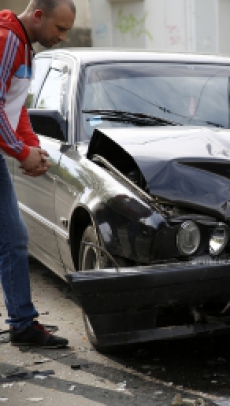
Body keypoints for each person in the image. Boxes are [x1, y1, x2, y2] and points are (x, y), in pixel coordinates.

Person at [0, 0, 75, 348]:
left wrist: (32, 148)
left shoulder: (24, 47)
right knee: (12, 239)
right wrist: (20, 151)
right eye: (59, 29)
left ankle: (23, 324)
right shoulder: (7, 40)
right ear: (38, 16)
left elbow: (16, 107)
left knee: (13, 238)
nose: (62, 37)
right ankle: (23, 322)